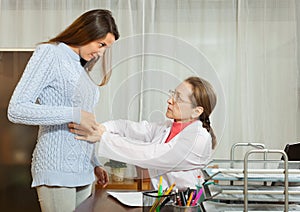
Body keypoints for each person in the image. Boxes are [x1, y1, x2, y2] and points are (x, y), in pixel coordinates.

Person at [7, 9, 119, 212]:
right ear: (87, 32)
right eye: (101, 44)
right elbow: (16, 109)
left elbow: (85, 122)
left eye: (106, 48)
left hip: (83, 170)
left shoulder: (81, 67)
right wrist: (73, 114)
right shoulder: (51, 53)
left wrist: (94, 161)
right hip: (56, 167)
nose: (101, 53)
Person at [69, 76, 217, 190]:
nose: (169, 100)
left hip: (184, 204)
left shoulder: (199, 139)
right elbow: (126, 127)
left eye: (178, 98)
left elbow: (152, 154)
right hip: (162, 201)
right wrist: (100, 129)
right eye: (173, 94)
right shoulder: (166, 127)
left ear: (196, 111)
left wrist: (103, 137)